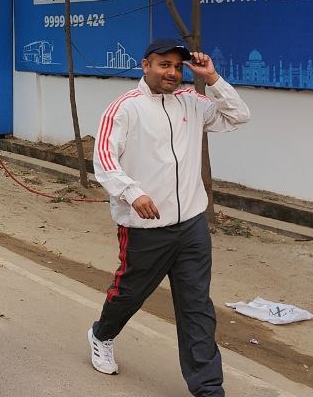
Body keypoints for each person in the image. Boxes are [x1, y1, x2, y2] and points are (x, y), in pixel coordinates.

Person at [86, 39, 250, 397]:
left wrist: (213, 78)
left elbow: (238, 116)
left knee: (196, 306)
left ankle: (208, 388)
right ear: (145, 65)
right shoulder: (125, 108)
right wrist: (133, 193)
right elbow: (104, 158)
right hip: (145, 227)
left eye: (177, 66)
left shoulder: (192, 101)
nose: (172, 73)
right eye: (164, 65)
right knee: (129, 294)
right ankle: (102, 334)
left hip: (191, 224)